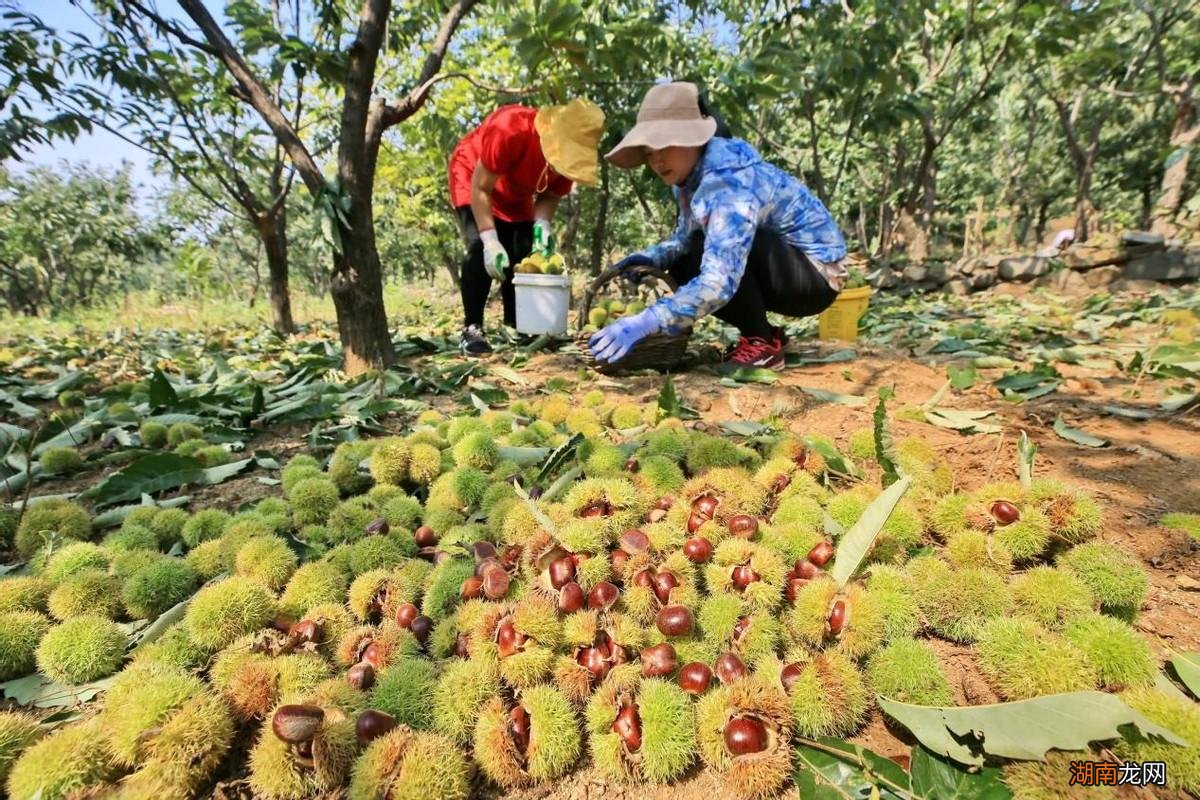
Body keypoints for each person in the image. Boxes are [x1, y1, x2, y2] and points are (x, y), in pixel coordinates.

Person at [589, 82, 847, 371]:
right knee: (683, 260)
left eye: (664, 145)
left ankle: (760, 344)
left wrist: (649, 320)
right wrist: (654, 257)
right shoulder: (688, 181)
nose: (657, 160)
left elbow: (718, 280)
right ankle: (767, 335)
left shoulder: (727, 182)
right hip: (791, 272)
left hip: (815, 277)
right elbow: (685, 238)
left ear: (694, 139)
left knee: (706, 252)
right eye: (649, 152)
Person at [448, 98, 605, 354]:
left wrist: (542, 223)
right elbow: (481, 187)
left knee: (521, 253)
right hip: (473, 177)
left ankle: (516, 325)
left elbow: (550, 194)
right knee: (479, 249)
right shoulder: (511, 128)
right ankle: (472, 327)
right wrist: (490, 240)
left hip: (517, 192)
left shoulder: (568, 161)